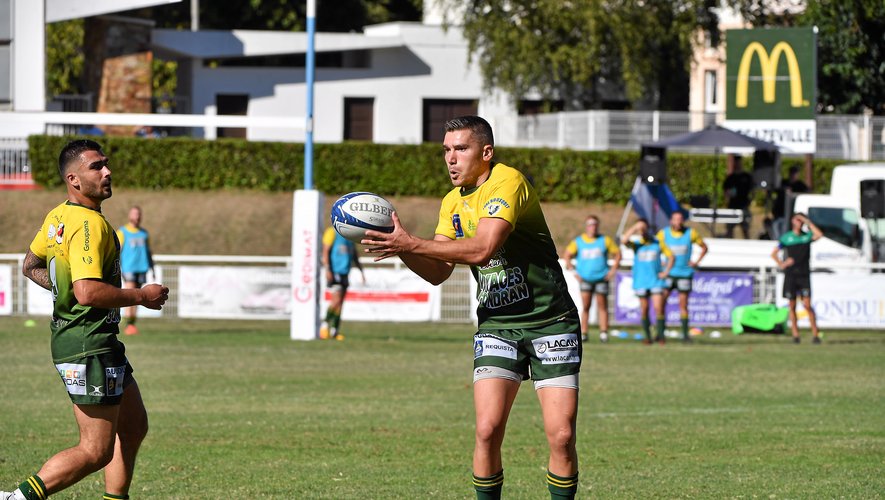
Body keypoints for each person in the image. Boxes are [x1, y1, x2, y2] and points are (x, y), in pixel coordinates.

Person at [361, 116, 581, 499]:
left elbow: (482, 249)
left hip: (550, 322)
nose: (450, 159)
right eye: (446, 150)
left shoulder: (507, 182)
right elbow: (437, 273)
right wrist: (401, 248)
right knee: (486, 430)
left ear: (486, 152)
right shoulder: (452, 202)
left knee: (561, 436)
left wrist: (412, 243)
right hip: (497, 326)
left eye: (460, 149)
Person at [2, 140, 168, 500]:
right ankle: (16, 498)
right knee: (95, 451)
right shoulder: (89, 224)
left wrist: (62, 290)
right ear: (74, 179)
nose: (107, 171)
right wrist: (142, 296)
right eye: (97, 167)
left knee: (133, 425)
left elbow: (31, 265)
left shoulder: (58, 215)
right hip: (87, 345)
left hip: (97, 341)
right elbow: (88, 292)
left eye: (106, 164)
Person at [563, 215, 621, 343]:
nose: (592, 227)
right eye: (590, 224)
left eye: (595, 224)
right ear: (586, 226)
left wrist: (612, 271)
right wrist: (573, 271)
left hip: (601, 278)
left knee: (602, 306)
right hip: (585, 279)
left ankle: (603, 333)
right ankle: (584, 332)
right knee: (586, 306)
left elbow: (617, 254)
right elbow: (567, 255)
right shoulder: (579, 241)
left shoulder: (605, 240)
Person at [770, 212, 823, 344]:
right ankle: (795, 334)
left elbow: (819, 235)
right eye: (797, 220)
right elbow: (774, 253)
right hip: (791, 275)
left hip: (804, 275)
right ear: (793, 221)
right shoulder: (787, 238)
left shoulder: (807, 237)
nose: (799, 222)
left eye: (801, 220)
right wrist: (782, 264)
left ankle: (815, 334)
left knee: (807, 305)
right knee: (792, 306)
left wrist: (807, 221)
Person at [656, 211, 707, 343]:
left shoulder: (691, 233)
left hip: (684, 274)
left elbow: (704, 247)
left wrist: (696, 262)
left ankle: (685, 335)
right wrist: (659, 261)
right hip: (668, 274)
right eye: (675, 220)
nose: (678, 222)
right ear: (671, 221)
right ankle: (660, 334)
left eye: (680, 220)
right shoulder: (663, 233)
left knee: (683, 304)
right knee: (661, 303)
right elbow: (654, 248)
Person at [621, 218, 672, 345]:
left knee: (658, 308)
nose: (643, 231)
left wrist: (666, 272)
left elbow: (671, 256)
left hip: (655, 281)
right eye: (641, 229)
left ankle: (660, 336)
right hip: (641, 281)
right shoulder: (637, 244)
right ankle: (647, 337)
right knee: (644, 308)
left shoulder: (657, 242)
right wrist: (635, 227)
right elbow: (624, 241)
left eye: (644, 228)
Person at [319, 225, 365, 340]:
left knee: (340, 303)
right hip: (335, 272)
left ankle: (334, 331)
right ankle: (324, 327)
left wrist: (361, 271)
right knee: (336, 300)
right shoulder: (331, 232)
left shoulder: (350, 236)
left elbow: (354, 255)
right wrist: (327, 269)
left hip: (345, 273)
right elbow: (325, 251)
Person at [116, 206, 155, 336]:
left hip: (142, 268)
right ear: (129, 215)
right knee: (130, 295)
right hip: (129, 268)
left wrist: (152, 268)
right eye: (134, 214)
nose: (136, 216)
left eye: (138, 214)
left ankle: (132, 323)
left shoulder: (144, 233)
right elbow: (116, 250)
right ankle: (128, 323)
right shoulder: (122, 232)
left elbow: (148, 252)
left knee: (138, 297)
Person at [771, 166, 809, 238]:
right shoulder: (783, 183)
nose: (793, 175)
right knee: (776, 229)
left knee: (785, 231)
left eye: (795, 174)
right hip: (779, 212)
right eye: (792, 173)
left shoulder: (801, 185)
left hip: (790, 213)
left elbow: (806, 194)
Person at [722, 160, 755, 239]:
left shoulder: (747, 177)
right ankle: (729, 243)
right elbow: (725, 191)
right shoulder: (730, 178)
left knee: (745, 228)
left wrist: (750, 200)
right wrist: (729, 194)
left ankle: (747, 244)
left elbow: (753, 190)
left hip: (744, 205)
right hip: (733, 205)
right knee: (729, 227)